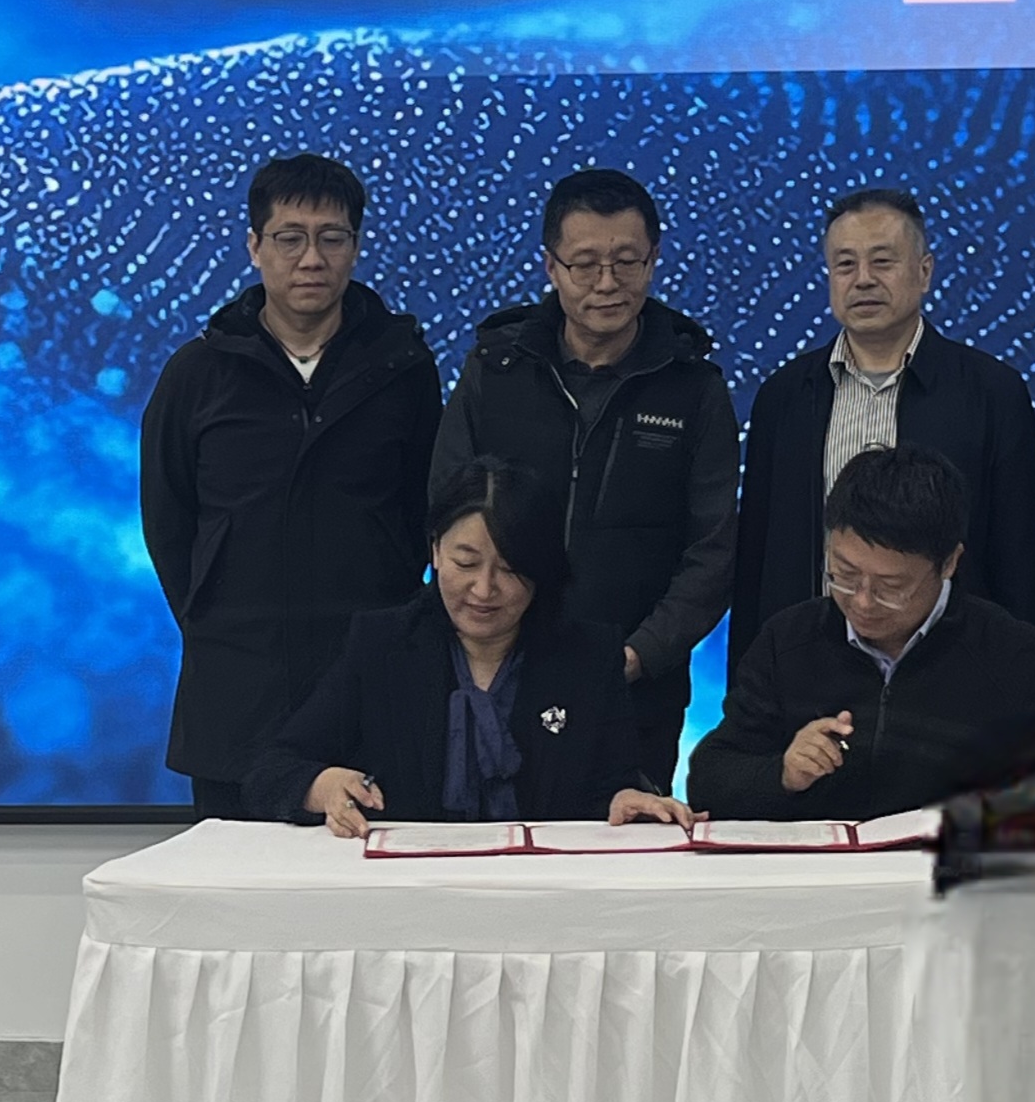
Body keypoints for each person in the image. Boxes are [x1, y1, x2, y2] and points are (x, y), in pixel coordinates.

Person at [139, 154, 442, 819]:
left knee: (366, 873)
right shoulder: (197, 373)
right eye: (289, 238)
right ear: (255, 246)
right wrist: (216, 616)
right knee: (232, 878)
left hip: (365, 679)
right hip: (235, 687)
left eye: (332, 238)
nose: (311, 259)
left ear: (355, 247)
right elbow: (168, 522)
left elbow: (426, 510)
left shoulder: (402, 368)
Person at [431, 167, 736, 790]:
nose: (607, 283)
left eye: (626, 262)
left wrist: (639, 655)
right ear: (551, 265)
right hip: (495, 674)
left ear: (653, 260)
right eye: (585, 264)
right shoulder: (496, 371)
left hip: (634, 689)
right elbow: (444, 512)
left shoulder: (693, 387)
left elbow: (713, 550)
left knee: (625, 841)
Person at [240, 460, 691, 833]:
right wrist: (322, 786)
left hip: (543, 889)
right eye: (465, 563)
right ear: (436, 551)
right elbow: (271, 771)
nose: (484, 589)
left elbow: (609, 785)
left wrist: (626, 800)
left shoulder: (588, 655)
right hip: (411, 888)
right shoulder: (382, 645)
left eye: (510, 569)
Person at [690, 445, 1035, 823]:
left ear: (949, 564)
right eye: (843, 574)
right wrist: (783, 773)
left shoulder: (1012, 655)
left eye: (891, 587)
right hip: (820, 876)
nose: (862, 602)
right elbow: (710, 778)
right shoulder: (789, 640)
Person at [730, 187, 1035, 672]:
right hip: (808, 671)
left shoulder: (993, 393)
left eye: (882, 261)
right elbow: (756, 558)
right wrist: (747, 691)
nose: (863, 279)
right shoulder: (786, 396)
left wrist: (1024, 692)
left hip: (951, 677)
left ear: (924, 271)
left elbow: (1019, 564)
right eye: (845, 264)